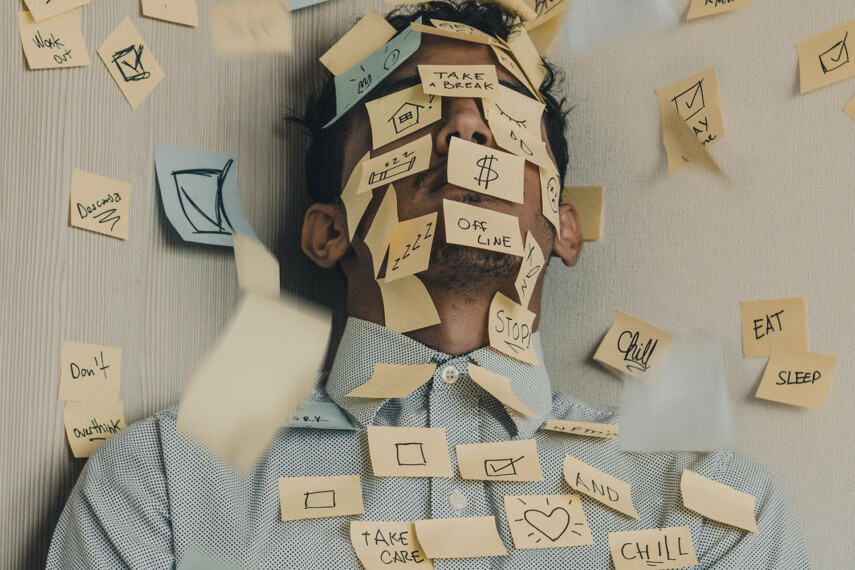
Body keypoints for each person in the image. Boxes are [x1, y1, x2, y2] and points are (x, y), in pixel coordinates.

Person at [47, 2, 809, 568]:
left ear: (563, 226)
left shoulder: (709, 507)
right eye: (412, 107)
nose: (465, 128)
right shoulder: (170, 481)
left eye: (507, 118)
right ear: (327, 231)